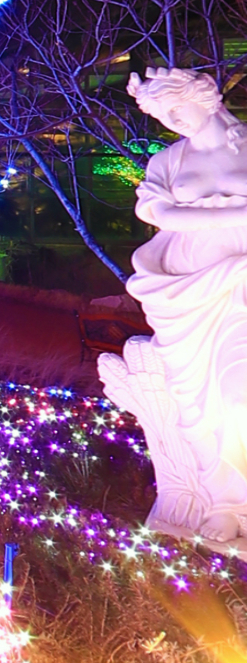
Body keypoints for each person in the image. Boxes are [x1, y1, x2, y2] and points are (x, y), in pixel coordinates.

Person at [107, 68, 247, 538]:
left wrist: (199, 216)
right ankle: (224, 503)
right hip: (186, 289)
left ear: (202, 96)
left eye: (174, 108)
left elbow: (174, 213)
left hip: (242, 283)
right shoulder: (168, 160)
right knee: (196, 402)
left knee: (238, 393)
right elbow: (157, 211)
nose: (172, 121)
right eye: (162, 117)